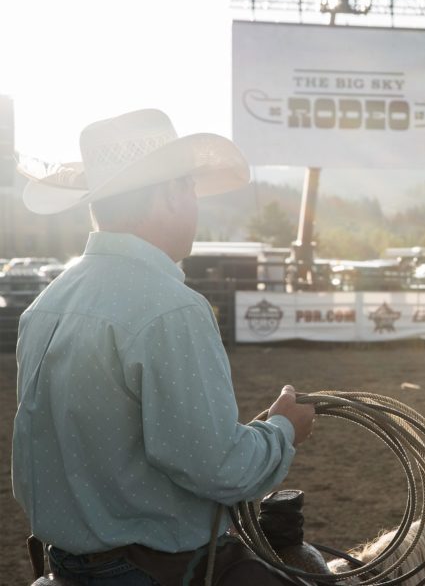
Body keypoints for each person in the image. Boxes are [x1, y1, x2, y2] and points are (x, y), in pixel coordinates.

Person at [13, 109, 316, 585]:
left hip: (69, 560)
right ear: (170, 195)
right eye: (190, 190)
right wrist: (283, 430)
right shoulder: (171, 308)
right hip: (153, 568)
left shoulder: (48, 303)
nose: (195, 206)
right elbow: (217, 467)